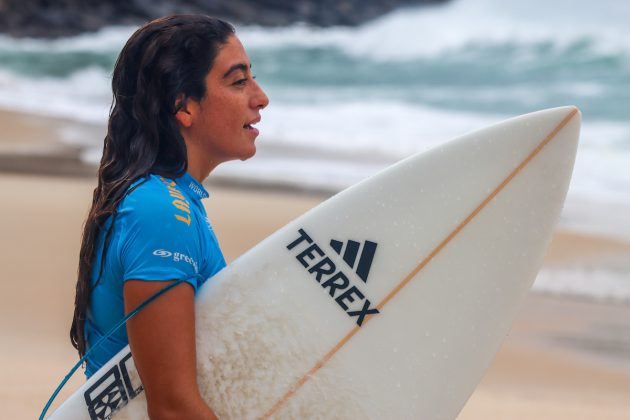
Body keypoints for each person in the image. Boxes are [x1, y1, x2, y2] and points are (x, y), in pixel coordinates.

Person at [69, 15, 269, 419]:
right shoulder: (158, 211)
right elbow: (172, 408)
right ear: (184, 105)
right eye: (238, 81)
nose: (260, 97)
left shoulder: (170, 200)